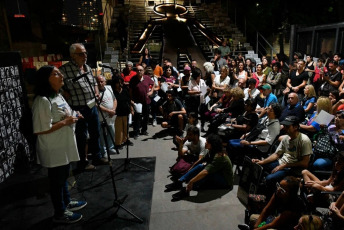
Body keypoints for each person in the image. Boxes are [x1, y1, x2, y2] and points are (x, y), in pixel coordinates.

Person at [32, 65, 86, 224]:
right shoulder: (42, 100)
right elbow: (40, 129)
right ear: (46, 80)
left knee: (63, 178)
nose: (61, 76)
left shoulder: (59, 96)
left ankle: (67, 201)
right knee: (56, 182)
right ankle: (60, 212)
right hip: (54, 149)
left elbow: (66, 114)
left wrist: (75, 115)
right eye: (56, 74)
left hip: (64, 146)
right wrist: (65, 122)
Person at [59, 43, 107, 171]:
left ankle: (97, 156)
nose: (85, 56)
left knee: (95, 132)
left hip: (92, 106)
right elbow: (58, 87)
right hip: (78, 108)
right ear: (72, 55)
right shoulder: (64, 70)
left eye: (85, 53)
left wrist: (96, 92)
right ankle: (83, 162)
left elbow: (93, 83)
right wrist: (64, 92)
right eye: (81, 54)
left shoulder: (87, 67)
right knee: (82, 137)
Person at [252, 116, 313, 198]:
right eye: (284, 126)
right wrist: (262, 162)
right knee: (258, 167)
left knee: (270, 179)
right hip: (282, 163)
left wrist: (286, 165)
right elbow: (276, 154)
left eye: (288, 126)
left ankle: (268, 199)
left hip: (293, 168)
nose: (285, 128)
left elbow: (304, 163)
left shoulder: (304, 140)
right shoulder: (286, 138)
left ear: (295, 127)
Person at [166, 134, 233, 201]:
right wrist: (187, 173)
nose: (205, 142)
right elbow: (200, 161)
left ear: (212, 145)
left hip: (226, 182)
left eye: (207, 142)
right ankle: (179, 182)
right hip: (217, 174)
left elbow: (205, 172)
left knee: (205, 173)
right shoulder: (211, 151)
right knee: (201, 166)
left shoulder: (219, 157)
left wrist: (191, 181)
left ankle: (186, 190)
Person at [239, 176, 304, 230]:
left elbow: (272, 224)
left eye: (282, 190)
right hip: (274, 218)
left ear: (290, 194)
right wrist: (256, 226)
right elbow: (267, 209)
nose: (278, 190)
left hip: (284, 226)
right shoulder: (278, 193)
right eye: (279, 186)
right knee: (253, 218)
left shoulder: (294, 206)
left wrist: (257, 229)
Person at [129, 65, 154, 139]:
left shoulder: (147, 78)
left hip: (146, 101)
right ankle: (136, 132)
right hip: (137, 101)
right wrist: (131, 100)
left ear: (143, 71)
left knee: (146, 117)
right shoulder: (133, 79)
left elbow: (153, 84)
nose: (139, 71)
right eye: (138, 70)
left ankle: (144, 130)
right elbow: (130, 91)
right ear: (136, 71)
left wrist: (151, 92)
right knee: (137, 117)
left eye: (141, 70)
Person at [96, 75, 117, 156]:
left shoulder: (109, 88)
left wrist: (113, 110)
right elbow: (96, 105)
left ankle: (110, 147)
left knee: (112, 131)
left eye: (102, 81)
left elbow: (114, 99)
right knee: (101, 134)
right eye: (98, 82)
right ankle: (103, 150)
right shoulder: (95, 92)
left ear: (105, 82)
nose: (100, 83)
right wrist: (109, 111)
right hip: (101, 116)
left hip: (111, 116)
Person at [112, 76, 133, 150]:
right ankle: (118, 143)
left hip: (126, 112)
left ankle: (126, 139)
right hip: (118, 113)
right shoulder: (113, 92)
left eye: (121, 82)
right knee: (119, 129)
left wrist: (131, 109)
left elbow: (128, 100)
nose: (120, 84)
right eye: (118, 83)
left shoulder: (125, 90)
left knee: (126, 128)